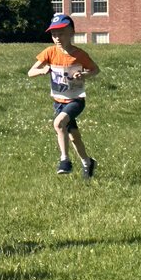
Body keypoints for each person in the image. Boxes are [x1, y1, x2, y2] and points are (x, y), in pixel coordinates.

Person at [28, 13, 99, 178]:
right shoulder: (49, 52)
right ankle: (88, 162)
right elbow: (31, 72)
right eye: (54, 34)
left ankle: (65, 161)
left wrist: (84, 75)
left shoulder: (79, 55)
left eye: (61, 33)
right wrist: (42, 70)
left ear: (71, 33)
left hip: (76, 100)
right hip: (58, 101)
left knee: (59, 123)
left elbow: (95, 70)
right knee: (74, 137)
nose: (57, 37)